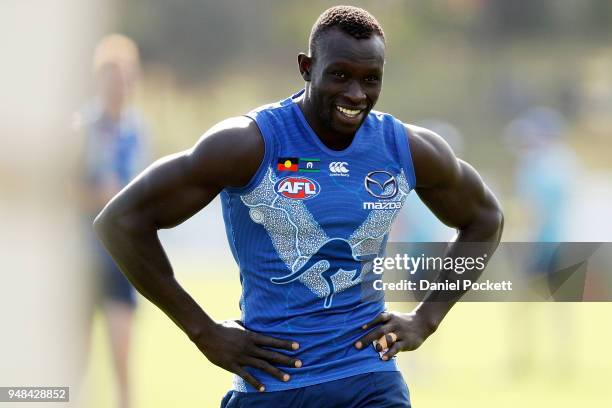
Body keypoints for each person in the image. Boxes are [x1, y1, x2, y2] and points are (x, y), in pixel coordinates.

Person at [94, 6, 503, 407]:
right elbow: (121, 221)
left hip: (371, 382)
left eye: (371, 79)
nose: (356, 94)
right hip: (274, 386)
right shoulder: (247, 144)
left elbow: (485, 219)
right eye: (339, 75)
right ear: (307, 67)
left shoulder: (406, 149)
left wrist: (426, 319)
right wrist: (203, 331)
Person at [75, 34, 149, 408]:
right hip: (81, 260)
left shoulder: (137, 130)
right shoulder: (81, 128)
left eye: (124, 79)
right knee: (75, 361)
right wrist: (95, 196)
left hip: (119, 259)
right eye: (110, 79)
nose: (117, 88)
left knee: (122, 360)